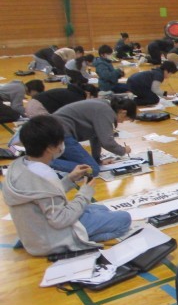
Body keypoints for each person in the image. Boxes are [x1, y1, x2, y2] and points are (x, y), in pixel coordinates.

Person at [2, 115, 131, 257]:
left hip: (36, 231)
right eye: (61, 141)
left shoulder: (21, 167)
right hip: (51, 239)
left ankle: (85, 232)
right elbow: (60, 219)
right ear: (51, 148)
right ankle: (79, 240)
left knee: (101, 209)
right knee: (124, 219)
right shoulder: (45, 175)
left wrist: (69, 179)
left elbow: (42, 195)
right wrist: (85, 193)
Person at [51, 97, 137, 174]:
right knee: (92, 169)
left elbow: (96, 138)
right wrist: (123, 150)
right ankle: (46, 163)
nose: (121, 122)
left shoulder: (103, 106)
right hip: (60, 133)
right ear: (123, 112)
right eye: (125, 119)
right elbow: (107, 142)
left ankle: (49, 162)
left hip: (55, 130)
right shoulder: (106, 111)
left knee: (82, 164)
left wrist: (97, 161)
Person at [26, 81, 97, 117]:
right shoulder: (77, 98)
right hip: (37, 108)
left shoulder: (71, 92)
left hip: (33, 105)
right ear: (88, 93)